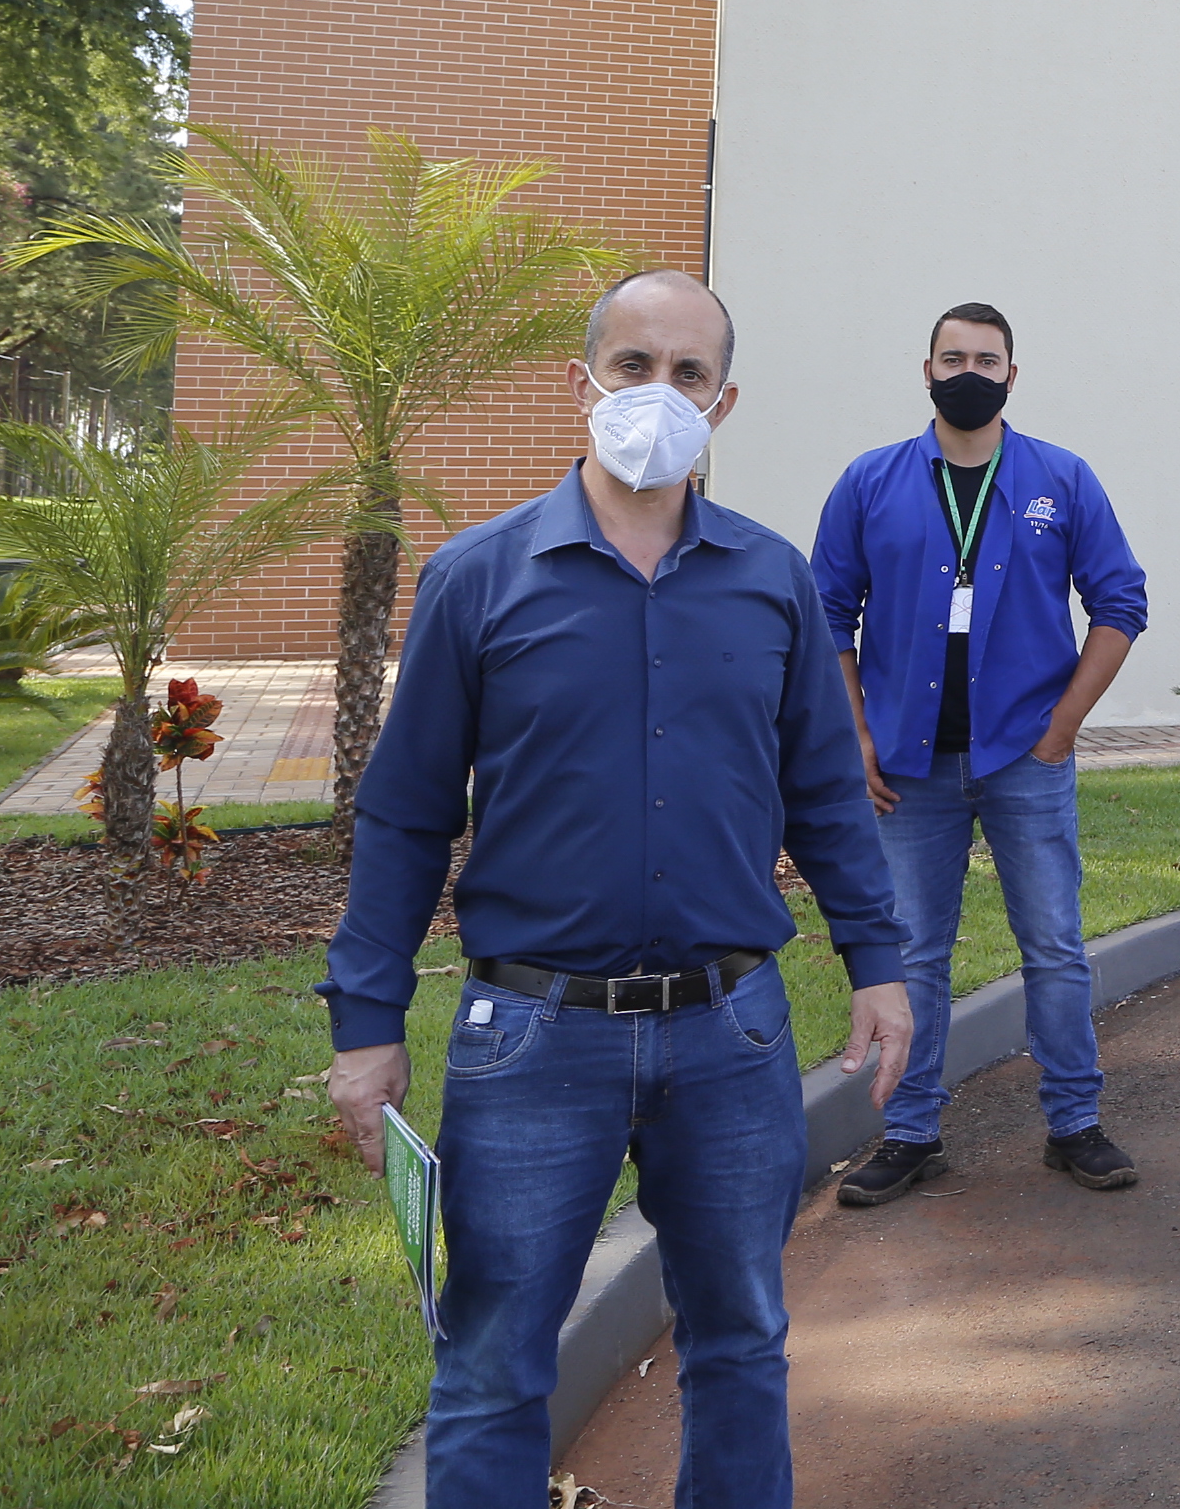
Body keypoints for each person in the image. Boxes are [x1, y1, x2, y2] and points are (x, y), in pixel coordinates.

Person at [322, 269, 911, 1509]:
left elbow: (823, 791)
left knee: (741, 1342)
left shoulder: (774, 580)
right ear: (579, 383)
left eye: (687, 372)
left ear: (726, 400)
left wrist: (880, 962)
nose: (659, 391)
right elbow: (407, 813)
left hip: (731, 1030)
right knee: (489, 1367)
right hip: (533, 1038)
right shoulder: (477, 577)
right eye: (633, 364)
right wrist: (367, 1023)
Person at [810, 301, 1151, 1206]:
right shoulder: (871, 482)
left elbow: (1120, 603)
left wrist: (1063, 728)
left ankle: (1075, 1122)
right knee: (913, 953)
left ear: (1011, 375)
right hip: (908, 771)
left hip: (1022, 759)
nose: (970, 370)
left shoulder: (1060, 479)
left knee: (1054, 945)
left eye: (987, 359)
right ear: (926, 371)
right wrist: (858, 733)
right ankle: (911, 1133)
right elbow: (824, 615)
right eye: (952, 356)